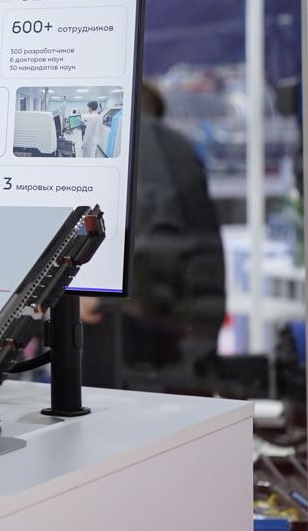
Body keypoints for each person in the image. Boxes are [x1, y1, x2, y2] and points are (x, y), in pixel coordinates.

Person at [82, 83, 227, 393]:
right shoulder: (182, 149)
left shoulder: (138, 144)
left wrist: (95, 294)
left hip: (141, 340)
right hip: (191, 332)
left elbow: (159, 244)